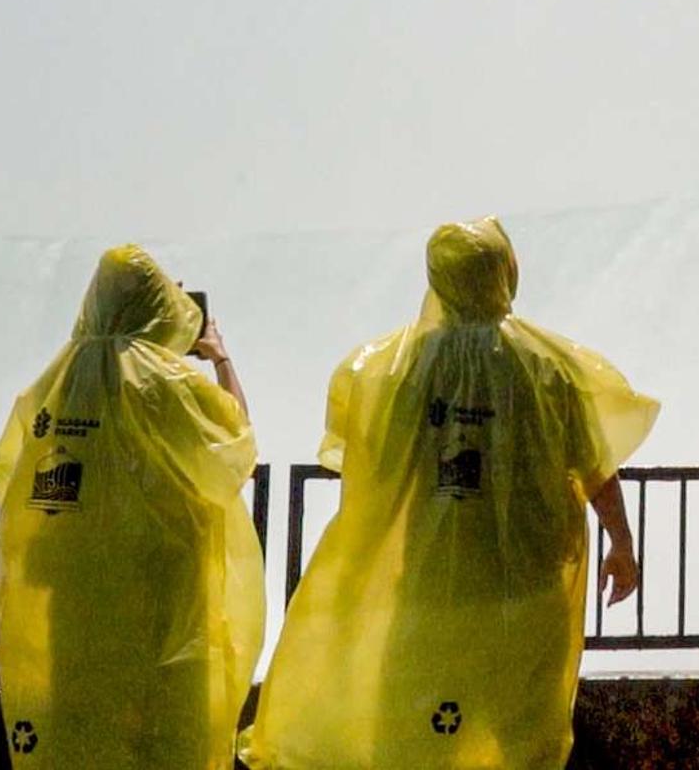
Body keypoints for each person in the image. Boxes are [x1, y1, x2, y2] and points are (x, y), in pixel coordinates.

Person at [241, 216, 657, 769]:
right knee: (516, 728)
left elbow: (372, 469)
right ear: (506, 270)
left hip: (430, 583)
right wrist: (621, 544)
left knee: (409, 725)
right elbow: (595, 468)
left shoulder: (397, 369)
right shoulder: (547, 367)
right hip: (524, 585)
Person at [0, 245, 264, 769]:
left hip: (70, 597)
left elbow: (15, 480)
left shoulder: (54, 383)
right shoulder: (167, 383)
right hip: (158, 594)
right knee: (163, 735)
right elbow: (234, 451)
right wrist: (219, 357)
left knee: (82, 726)